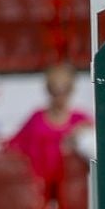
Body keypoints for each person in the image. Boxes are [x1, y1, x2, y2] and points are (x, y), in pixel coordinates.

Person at [7, 62, 93, 195]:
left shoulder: (81, 121)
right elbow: (14, 145)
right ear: (48, 89)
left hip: (70, 193)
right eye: (55, 89)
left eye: (65, 89)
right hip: (38, 192)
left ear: (71, 89)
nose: (60, 95)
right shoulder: (36, 119)